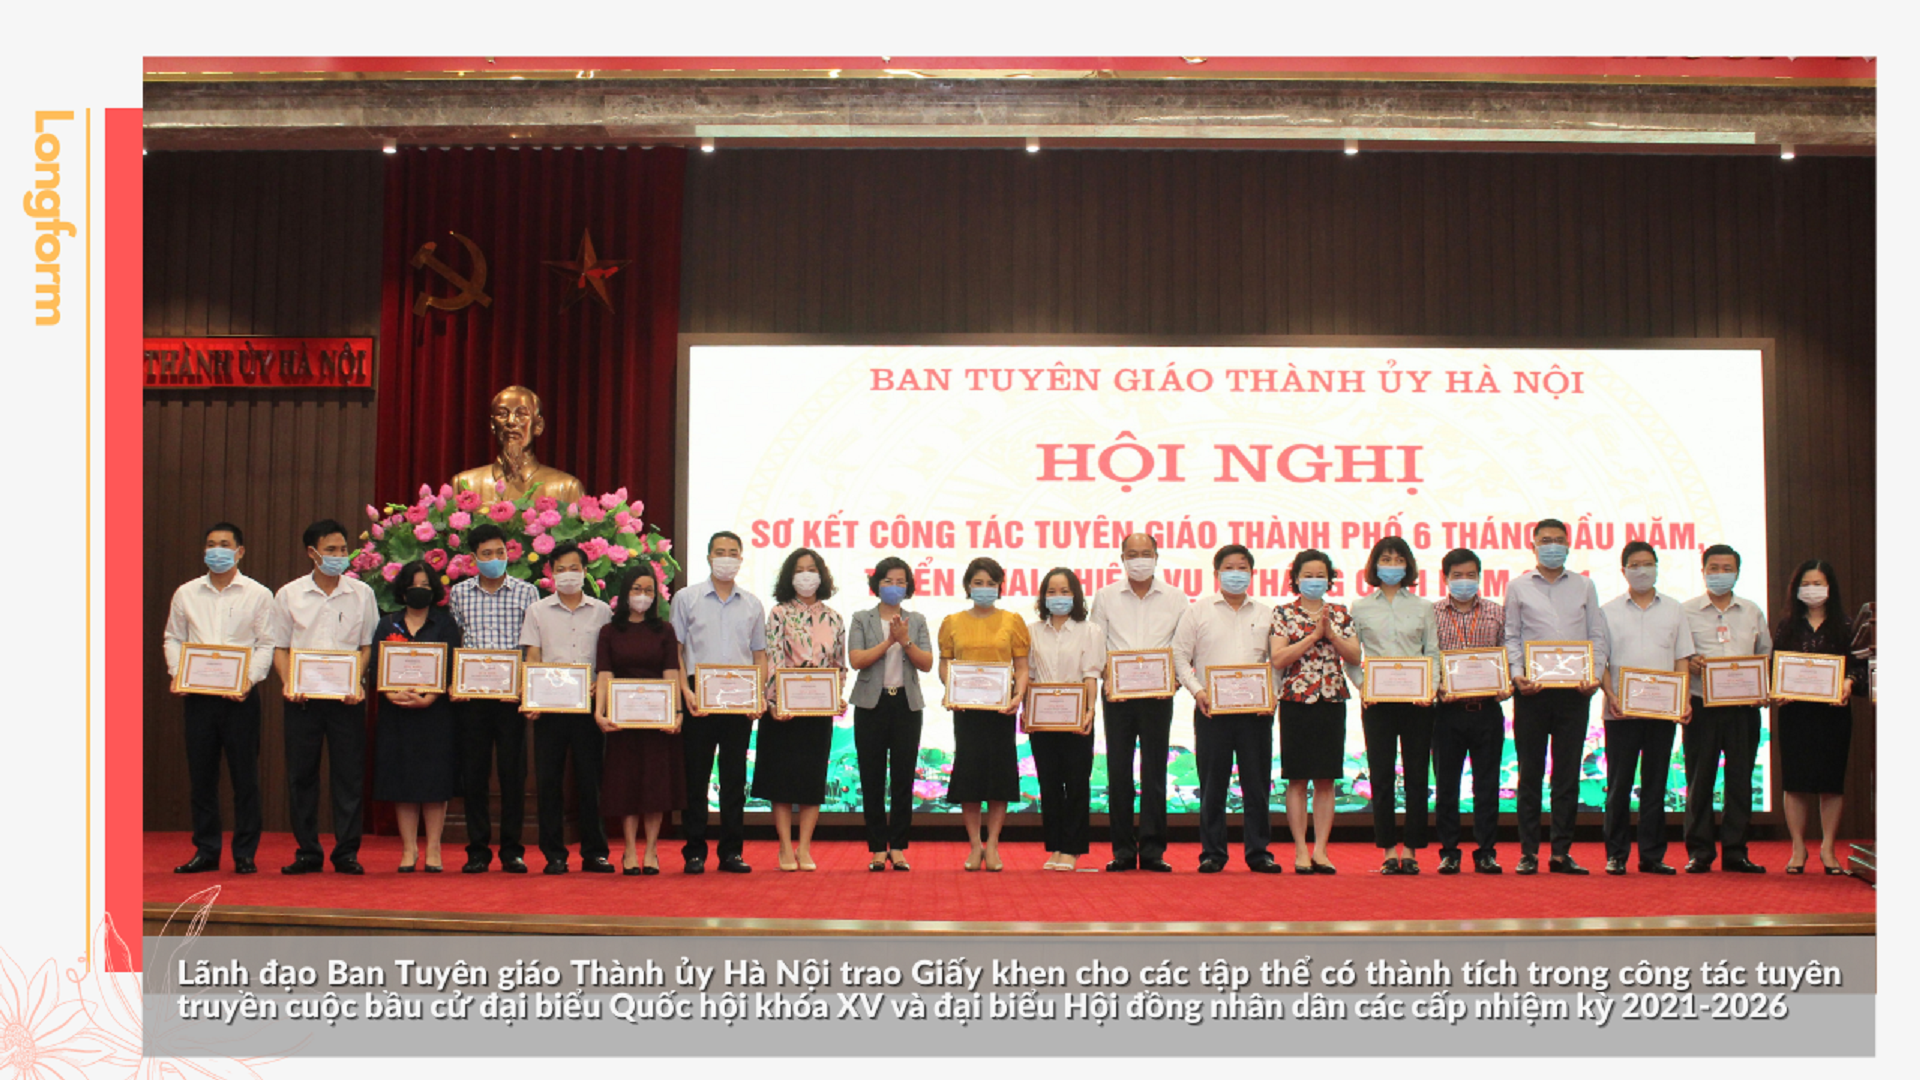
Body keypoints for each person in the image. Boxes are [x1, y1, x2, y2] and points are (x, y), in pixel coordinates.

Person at [163, 522, 276, 874]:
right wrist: (178, 672)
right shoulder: (186, 593)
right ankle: (206, 850)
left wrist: (248, 680)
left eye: (225, 544)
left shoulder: (258, 594)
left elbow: (266, 643)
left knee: (245, 778)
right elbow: (173, 638)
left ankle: (245, 852)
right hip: (198, 697)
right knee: (202, 778)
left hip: (241, 699)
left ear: (240, 551)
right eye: (211, 544)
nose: (217, 551)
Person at [270, 518, 380, 875]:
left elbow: (367, 646)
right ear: (312, 553)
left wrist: (356, 680)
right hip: (302, 701)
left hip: (346, 701)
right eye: (330, 550)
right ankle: (307, 851)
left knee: (349, 777)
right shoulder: (289, 594)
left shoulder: (361, 594)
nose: (339, 556)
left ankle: (346, 852)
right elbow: (280, 647)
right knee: (301, 777)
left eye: (343, 549)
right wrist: (289, 682)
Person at [1502, 518, 1609, 875]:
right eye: (1545, 540)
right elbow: (1512, 635)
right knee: (1529, 774)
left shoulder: (1584, 585)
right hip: (1532, 693)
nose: (1552, 546)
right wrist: (1517, 675)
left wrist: (1594, 676)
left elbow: (1596, 634)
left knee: (1567, 775)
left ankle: (1561, 852)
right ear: (1533, 545)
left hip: (1574, 694)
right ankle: (1528, 853)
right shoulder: (1517, 587)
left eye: (1559, 540)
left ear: (1568, 545)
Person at [1173, 544, 1282, 874]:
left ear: (1252, 573)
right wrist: (1198, 691)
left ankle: (1259, 852)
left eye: (1242, 568)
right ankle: (1212, 853)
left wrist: (1273, 694)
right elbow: (1179, 657)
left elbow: (1276, 662)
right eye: (1229, 568)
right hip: (1212, 711)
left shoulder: (1267, 613)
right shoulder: (1197, 612)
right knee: (1212, 785)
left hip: (1256, 714)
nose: (1236, 574)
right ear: (1217, 573)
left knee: (1257, 785)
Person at [1088, 532, 1189, 873]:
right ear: (1122, 558)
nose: (1139, 560)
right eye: (1132, 554)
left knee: (1155, 771)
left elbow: (1183, 645)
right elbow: (1096, 643)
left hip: (1159, 696)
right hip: (1117, 695)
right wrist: (1110, 675)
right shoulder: (1105, 597)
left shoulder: (1176, 598)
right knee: (1118, 771)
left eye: (1146, 553)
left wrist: (1174, 679)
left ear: (1157, 557)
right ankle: (1122, 850)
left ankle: (1152, 850)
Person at [673, 530, 769, 874]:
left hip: (739, 696)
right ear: (709, 557)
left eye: (732, 552)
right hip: (698, 695)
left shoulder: (753, 604)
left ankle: (731, 852)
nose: (726, 558)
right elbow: (676, 650)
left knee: (733, 778)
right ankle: (694, 852)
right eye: (719, 552)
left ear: (740, 559)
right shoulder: (687, 598)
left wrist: (758, 693)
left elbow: (759, 654)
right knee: (696, 776)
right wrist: (685, 692)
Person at [447, 522, 540, 874]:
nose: (495, 559)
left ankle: (512, 850)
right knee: (475, 774)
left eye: (500, 552)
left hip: (511, 698)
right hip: (472, 699)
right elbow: (457, 642)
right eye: (487, 554)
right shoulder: (460, 593)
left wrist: (526, 687)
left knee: (513, 774)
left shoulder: (527, 592)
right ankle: (477, 850)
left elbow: (533, 645)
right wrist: (457, 682)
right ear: (474, 558)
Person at [1597, 542, 1693, 876]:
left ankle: (1652, 855)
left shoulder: (1674, 609)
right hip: (1620, 712)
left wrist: (1684, 699)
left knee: (1656, 784)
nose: (1642, 570)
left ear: (1656, 567)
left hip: (1662, 713)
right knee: (1618, 785)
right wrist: (1610, 694)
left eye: (1648, 563)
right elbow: (1600, 661)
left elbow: (1682, 658)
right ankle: (1616, 854)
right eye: (1635, 565)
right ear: (1623, 570)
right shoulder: (1607, 611)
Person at [520, 541, 615, 874]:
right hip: (550, 709)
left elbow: (608, 659)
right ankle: (554, 855)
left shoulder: (602, 611)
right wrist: (531, 697)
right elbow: (533, 657)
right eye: (561, 569)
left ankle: (595, 852)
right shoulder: (537, 611)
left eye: (574, 568)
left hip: (589, 708)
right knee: (549, 782)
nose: (568, 575)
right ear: (551, 574)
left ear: (585, 572)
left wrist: (600, 685)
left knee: (591, 782)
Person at [1348, 537, 1442, 875]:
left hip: (1417, 702)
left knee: (1417, 775)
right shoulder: (1360, 607)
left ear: (1408, 566)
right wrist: (1364, 687)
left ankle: (1412, 850)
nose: (1392, 565)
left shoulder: (1423, 607)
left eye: (1398, 559)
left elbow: (1432, 653)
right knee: (1382, 774)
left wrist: (1430, 690)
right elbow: (1352, 656)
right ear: (1375, 565)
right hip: (1377, 703)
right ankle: (1389, 850)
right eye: (1385, 559)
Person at [753, 549, 849, 872]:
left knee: (811, 779)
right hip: (782, 711)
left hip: (818, 713)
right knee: (780, 780)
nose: (806, 575)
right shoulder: (778, 613)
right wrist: (773, 702)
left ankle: (804, 847)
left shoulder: (834, 618)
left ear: (821, 576)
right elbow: (773, 659)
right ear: (789, 577)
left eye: (812, 569)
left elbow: (839, 665)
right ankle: (784, 846)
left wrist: (836, 695)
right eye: (799, 570)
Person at [1679, 544, 1771, 874]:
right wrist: (1690, 663)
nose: (1720, 574)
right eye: (1714, 568)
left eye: (1727, 568)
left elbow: (1765, 655)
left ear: (1738, 573)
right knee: (1699, 779)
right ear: (1703, 572)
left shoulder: (1751, 611)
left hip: (1743, 708)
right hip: (1702, 705)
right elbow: (1678, 655)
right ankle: (1700, 852)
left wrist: (1762, 687)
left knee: (1740, 780)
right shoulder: (1685, 611)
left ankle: (1736, 851)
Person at [938, 557, 1032, 871]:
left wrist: (1018, 695)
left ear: (1000, 587)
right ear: (968, 586)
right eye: (978, 583)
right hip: (967, 711)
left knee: (999, 777)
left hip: (1001, 711)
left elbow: (1021, 666)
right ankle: (974, 846)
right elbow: (945, 663)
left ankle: (992, 845)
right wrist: (950, 689)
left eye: (991, 583)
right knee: (970, 776)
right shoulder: (952, 622)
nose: (984, 589)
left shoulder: (1012, 621)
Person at [1270, 548, 1360, 873]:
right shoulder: (1283, 613)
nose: (1314, 580)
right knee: (1297, 779)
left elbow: (1354, 656)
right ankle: (1300, 850)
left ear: (1330, 579)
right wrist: (1314, 637)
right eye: (1307, 575)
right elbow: (1279, 658)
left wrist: (1331, 634)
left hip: (1331, 701)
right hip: (1296, 702)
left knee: (1326, 779)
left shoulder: (1340, 613)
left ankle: (1321, 850)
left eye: (1320, 575)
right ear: (1296, 579)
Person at [593, 562, 685, 875]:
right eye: (636, 589)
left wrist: (677, 713)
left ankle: (652, 850)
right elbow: (605, 673)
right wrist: (599, 711)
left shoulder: (664, 630)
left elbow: (671, 673)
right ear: (625, 592)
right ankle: (630, 849)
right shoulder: (609, 631)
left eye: (648, 590)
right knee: (626, 785)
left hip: (657, 721)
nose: (642, 595)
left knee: (655, 786)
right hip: (623, 721)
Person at [372, 561, 463, 873]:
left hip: (435, 714)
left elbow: (452, 666)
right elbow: (377, 665)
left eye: (425, 585)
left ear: (434, 590)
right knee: (403, 780)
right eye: (414, 585)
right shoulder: (388, 624)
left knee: (434, 780)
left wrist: (429, 698)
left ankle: (434, 848)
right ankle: (409, 848)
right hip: (396, 713)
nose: (419, 590)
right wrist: (391, 694)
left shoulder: (445, 624)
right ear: (402, 589)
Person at [1773, 560, 1863, 875]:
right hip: (1795, 714)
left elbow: (1859, 667)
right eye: (1806, 584)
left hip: (1833, 714)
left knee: (1831, 783)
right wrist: (1778, 688)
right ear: (1796, 589)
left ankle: (1828, 848)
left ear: (1830, 588)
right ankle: (1798, 848)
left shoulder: (1848, 625)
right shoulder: (1787, 626)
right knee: (1795, 782)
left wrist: (1849, 682)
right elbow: (1775, 665)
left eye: (1818, 584)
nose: (1812, 590)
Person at [847, 556, 933, 871]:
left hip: (906, 706)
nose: (894, 587)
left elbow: (926, 663)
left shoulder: (916, 620)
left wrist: (905, 640)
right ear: (877, 584)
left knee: (902, 777)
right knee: (871, 778)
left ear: (908, 587)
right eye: (888, 581)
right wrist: (889, 642)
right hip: (871, 705)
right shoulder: (861, 618)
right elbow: (857, 659)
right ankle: (876, 848)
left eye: (900, 582)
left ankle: (897, 847)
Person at [1431, 547, 1510, 875]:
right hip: (1446, 712)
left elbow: (1508, 653)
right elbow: (1427, 658)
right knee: (1446, 786)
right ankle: (1449, 852)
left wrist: (1507, 682)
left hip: (1487, 711)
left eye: (1470, 575)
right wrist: (1434, 685)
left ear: (1479, 577)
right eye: (1457, 575)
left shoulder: (1496, 612)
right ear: (1445, 578)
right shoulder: (1432, 614)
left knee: (1487, 785)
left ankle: (1486, 852)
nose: (1464, 581)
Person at [1026, 568, 1104, 871]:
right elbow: (1030, 676)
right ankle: (1056, 846)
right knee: (1049, 784)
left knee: (1076, 783)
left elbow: (1091, 674)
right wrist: (1026, 711)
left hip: (1076, 718)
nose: (1058, 597)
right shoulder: (1032, 631)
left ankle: (1073, 848)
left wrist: (1090, 711)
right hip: (1042, 720)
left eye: (1064, 591)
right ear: (1043, 597)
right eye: (1052, 591)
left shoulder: (1090, 631)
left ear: (1076, 595)